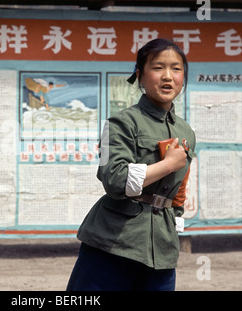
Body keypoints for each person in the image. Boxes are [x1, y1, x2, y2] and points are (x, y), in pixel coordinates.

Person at [66, 38, 196, 291]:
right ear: (140, 75)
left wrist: (175, 220)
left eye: (176, 69)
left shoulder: (185, 131)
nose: (168, 76)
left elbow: (179, 189)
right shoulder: (119, 123)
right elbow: (113, 179)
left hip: (163, 248)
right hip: (114, 243)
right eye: (158, 68)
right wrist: (167, 165)